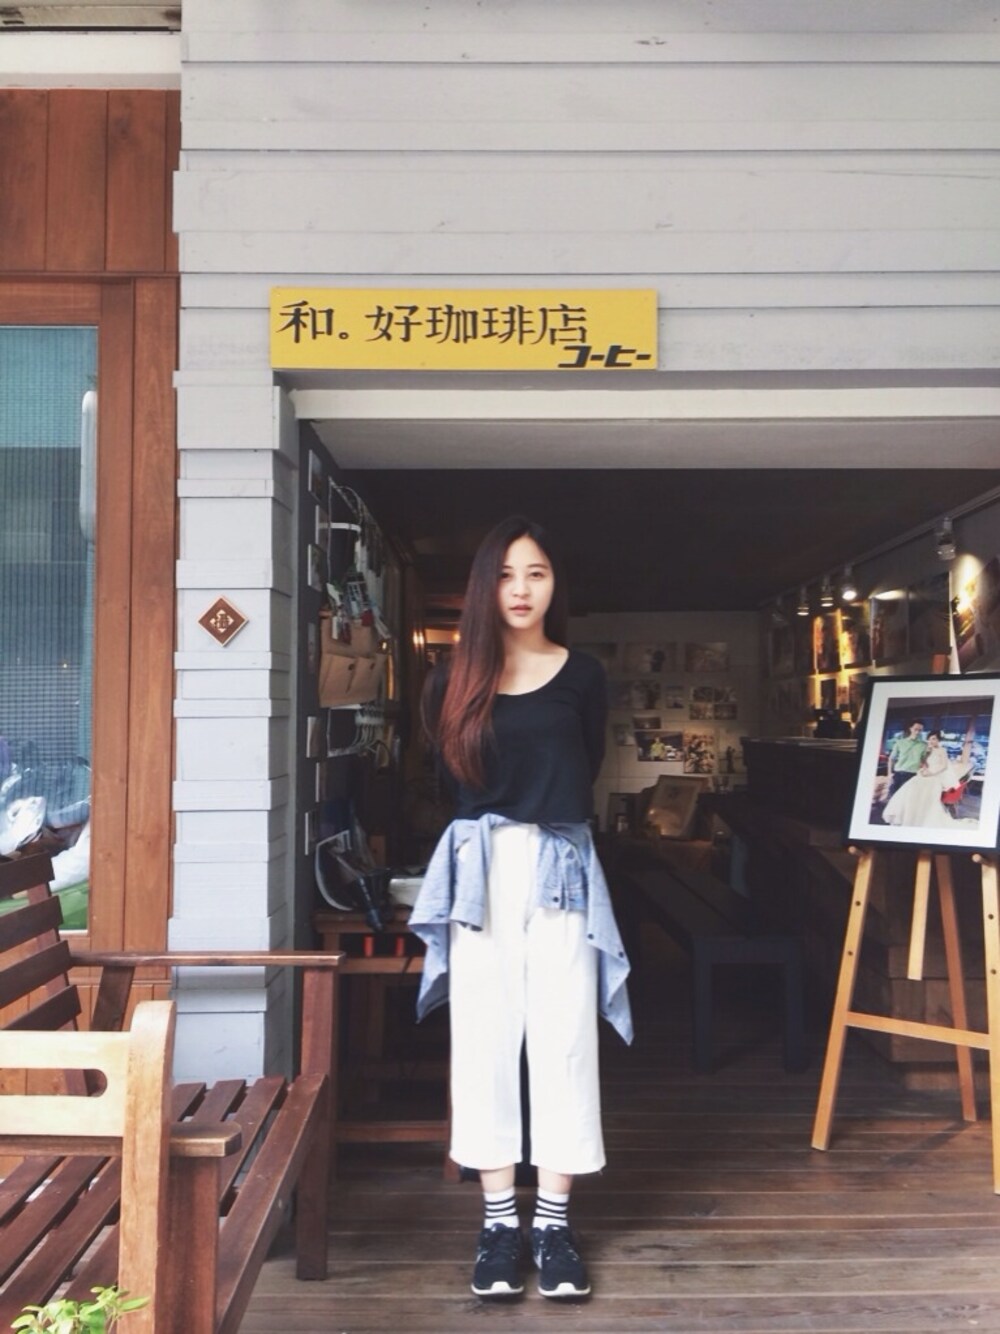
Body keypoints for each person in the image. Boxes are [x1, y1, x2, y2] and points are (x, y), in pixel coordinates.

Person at [409, 515, 632, 1303]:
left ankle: (555, 1224)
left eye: (536, 573)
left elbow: (586, 764)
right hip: (480, 868)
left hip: (561, 863)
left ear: (554, 584)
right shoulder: (450, 680)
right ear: (484, 587)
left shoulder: (583, 675)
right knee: (484, 1038)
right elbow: (449, 785)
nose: (521, 589)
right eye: (506, 575)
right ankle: (499, 1222)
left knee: (566, 1037)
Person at [885, 719, 927, 798]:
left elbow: (923, 760)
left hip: (912, 775)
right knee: (892, 798)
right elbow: (891, 759)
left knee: (907, 799)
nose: (917, 732)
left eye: (920, 730)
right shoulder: (900, 742)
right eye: (915, 729)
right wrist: (889, 774)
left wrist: (924, 770)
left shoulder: (924, 745)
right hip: (898, 774)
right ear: (910, 728)